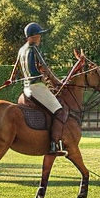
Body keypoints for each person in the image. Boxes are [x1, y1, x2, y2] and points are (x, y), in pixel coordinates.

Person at [12, 22, 68, 154]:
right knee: (60, 112)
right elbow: (45, 69)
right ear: (32, 36)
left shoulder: (21, 50)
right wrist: (58, 83)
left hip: (26, 89)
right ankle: (54, 145)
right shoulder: (33, 49)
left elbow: (15, 67)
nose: (40, 38)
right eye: (39, 35)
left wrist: (11, 79)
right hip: (37, 87)